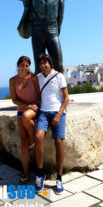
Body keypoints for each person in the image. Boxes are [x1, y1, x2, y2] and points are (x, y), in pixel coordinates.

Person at [35, 54, 69, 194]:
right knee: (38, 137)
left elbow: (66, 98)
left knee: (58, 142)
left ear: (50, 63)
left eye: (45, 63)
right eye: (40, 63)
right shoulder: (38, 77)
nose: (43, 66)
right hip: (43, 112)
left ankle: (59, 178)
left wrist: (59, 115)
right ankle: (40, 173)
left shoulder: (59, 76)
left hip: (58, 112)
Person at [9, 56, 40, 184]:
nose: (24, 68)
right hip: (22, 109)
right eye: (22, 65)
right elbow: (14, 100)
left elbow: (39, 93)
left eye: (27, 65)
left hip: (35, 108)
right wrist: (27, 106)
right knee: (23, 141)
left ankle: (32, 142)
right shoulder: (12, 81)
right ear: (18, 66)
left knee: (27, 116)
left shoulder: (33, 78)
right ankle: (26, 174)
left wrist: (38, 106)